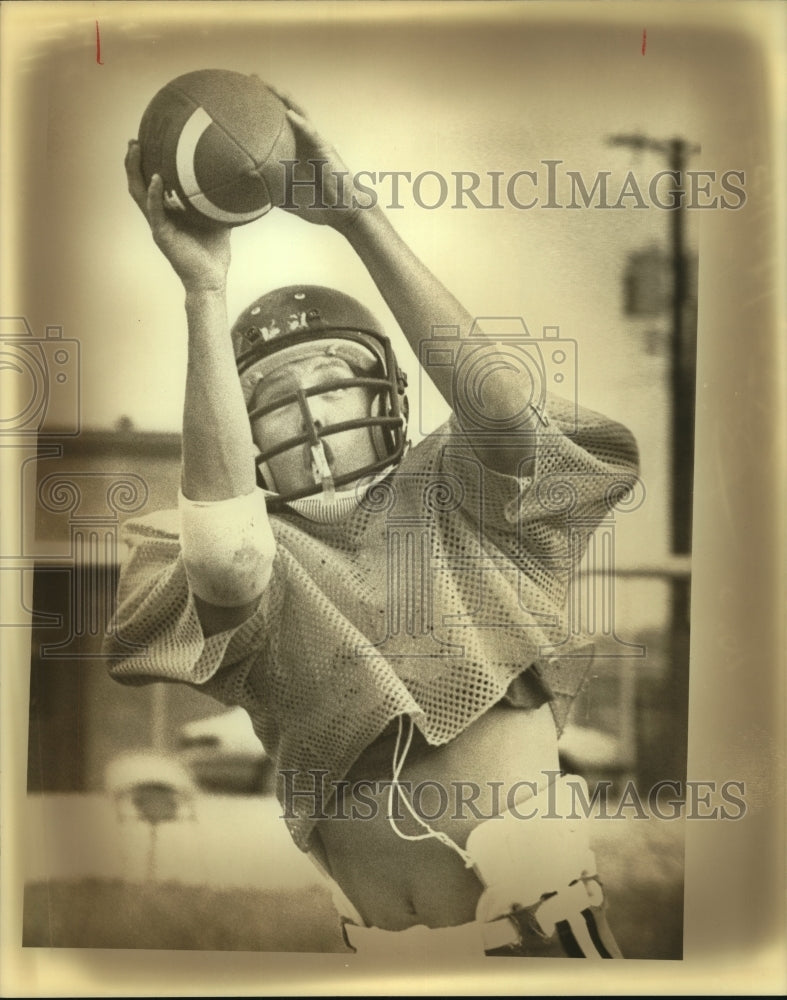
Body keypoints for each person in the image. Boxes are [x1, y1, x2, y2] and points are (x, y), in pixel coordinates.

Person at [107, 90, 639, 959]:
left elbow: (504, 409)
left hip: (541, 939)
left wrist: (357, 218)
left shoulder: (459, 494)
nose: (315, 416)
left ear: (388, 396)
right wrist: (204, 290)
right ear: (237, 433)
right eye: (276, 402)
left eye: (335, 380)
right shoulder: (248, 547)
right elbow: (229, 562)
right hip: (380, 955)